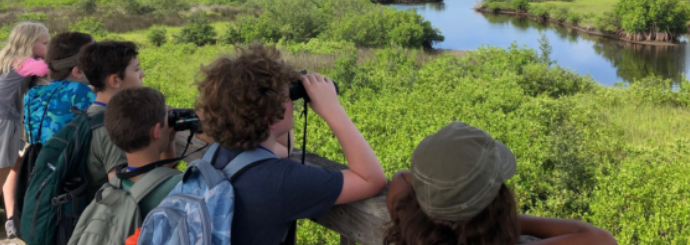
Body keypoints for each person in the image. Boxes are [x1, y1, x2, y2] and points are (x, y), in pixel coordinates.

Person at [193, 44, 387, 244]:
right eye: (287, 98)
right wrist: (332, 109)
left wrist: (279, 83)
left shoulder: (221, 150)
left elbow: (283, 150)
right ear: (270, 117)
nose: (292, 103)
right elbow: (370, 179)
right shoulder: (281, 181)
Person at [383, 121, 618, 245]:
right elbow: (601, 240)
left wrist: (443, 191)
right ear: (496, 205)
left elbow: (402, 177)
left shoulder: (409, 220)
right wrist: (511, 221)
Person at [0, 21, 49, 245]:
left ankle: (11, 220)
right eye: (45, 43)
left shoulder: (5, 60)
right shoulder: (25, 63)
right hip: (1, 126)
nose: (49, 47)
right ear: (29, 43)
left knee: (16, 167)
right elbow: (49, 69)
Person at [76, 40, 145, 198]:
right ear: (115, 81)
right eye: (136, 69)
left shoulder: (87, 114)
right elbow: (119, 191)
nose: (142, 74)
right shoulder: (111, 127)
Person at [104, 86, 181, 218]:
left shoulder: (116, 182)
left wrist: (169, 142)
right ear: (156, 131)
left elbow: (161, 176)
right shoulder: (180, 187)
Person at [23, 32, 96, 145]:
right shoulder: (80, 91)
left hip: (39, 160)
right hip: (71, 162)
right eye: (95, 61)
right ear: (78, 71)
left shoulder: (34, 93)